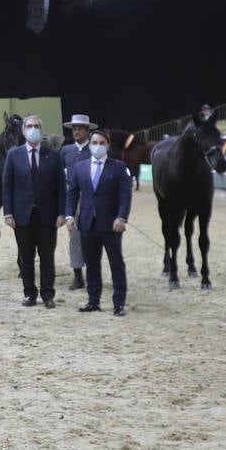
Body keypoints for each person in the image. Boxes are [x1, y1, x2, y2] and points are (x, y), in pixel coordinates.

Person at [65, 129, 133, 316]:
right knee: (92, 265)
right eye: (94, 143)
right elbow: (72, 194)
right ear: (90, 144)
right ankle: (93, 301)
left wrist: (122, 217)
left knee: (116, 264)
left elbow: (125, 196)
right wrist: (70, 215)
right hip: (87, 224)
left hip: (112, 225)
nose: (98, 146)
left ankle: (119, 303)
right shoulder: (80, 167)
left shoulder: (119, 168)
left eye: (102, 143)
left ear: (108, 146)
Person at [3, 114, 66, 308]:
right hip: (22, 215)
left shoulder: (53, 156)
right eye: (29, 126)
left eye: (36, 126)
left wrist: (61, 212)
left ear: (41, 129)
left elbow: (61, 188)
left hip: (48, 216)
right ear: (23, 131)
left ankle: (48, 294)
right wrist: (8, 212)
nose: (33, 129)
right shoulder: (13, 155)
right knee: (26, 256)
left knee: (47, 256)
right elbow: (7, 186)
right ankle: (29, 293)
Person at [59, 114, 96, 292]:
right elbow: (59, 175)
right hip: (71, 198)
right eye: (74, 128)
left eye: (80, 128)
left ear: (88, 131)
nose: (76, 131)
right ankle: (77, 276)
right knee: (74, 236)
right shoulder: (66, 151)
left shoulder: (95, 149)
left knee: (91, 237)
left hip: (91, 199)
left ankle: (92, 274)